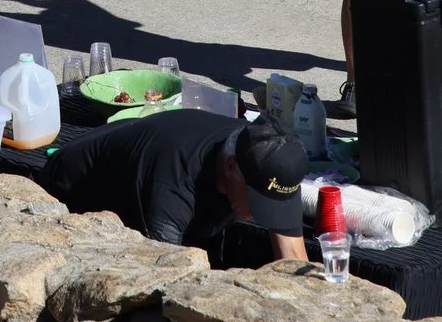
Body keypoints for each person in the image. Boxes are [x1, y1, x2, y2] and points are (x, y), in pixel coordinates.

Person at [40, 110, 308, 263]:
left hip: (146, 146)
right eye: (256, 201)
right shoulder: (171, 189)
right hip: (73, 188)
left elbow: (294, 258)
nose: (260, 216)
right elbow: (167, 280)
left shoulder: (270, 158)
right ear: (230, 168)